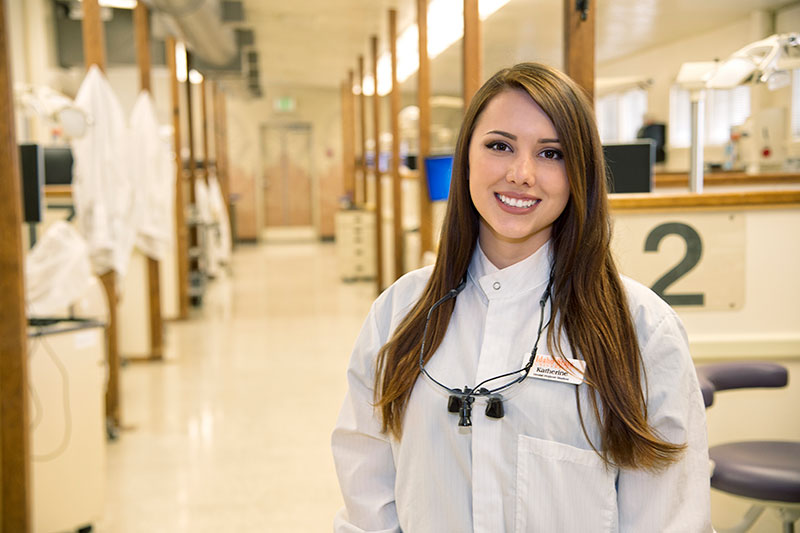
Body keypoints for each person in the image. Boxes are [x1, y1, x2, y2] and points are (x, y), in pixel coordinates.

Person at [331, 62, 711, 532]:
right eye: (499, 146)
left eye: (551, 154)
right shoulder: (401, 311)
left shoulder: (641, 327)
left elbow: (669, 517)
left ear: (580, 175)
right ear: (466, 156)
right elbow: (367, 487)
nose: (521, 173)